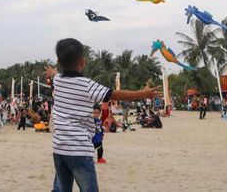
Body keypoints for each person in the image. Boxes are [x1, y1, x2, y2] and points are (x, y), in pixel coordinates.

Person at [45, 38, 160, 192]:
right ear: (83, 62)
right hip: (80, 149)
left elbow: (54, 75)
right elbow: (116, 94)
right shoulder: (87, 85)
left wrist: (52, 72)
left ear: (59, 61)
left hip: (59, 148)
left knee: (60, 188)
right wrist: (143, 93)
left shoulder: (58, 80)